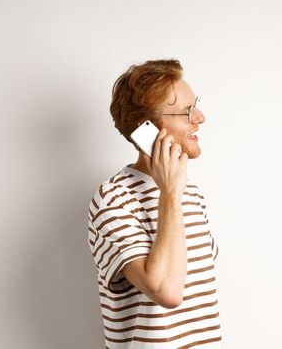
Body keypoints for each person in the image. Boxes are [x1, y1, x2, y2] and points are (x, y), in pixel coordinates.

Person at [87, 59, 222, 348]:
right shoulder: (113, 198)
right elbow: (167, 292)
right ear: (145, 129)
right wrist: (170, 194)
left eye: (195, 105)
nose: (200, 117)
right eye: (186, 111)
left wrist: (175, 191)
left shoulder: (192, 193)